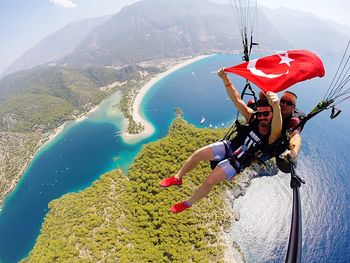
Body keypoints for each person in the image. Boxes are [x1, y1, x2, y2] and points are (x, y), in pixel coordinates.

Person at [159, 68, 282, 213]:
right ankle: (177, 177)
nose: (262, 117)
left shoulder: (272, 134)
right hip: (229, 146)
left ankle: (187, 203)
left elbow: (277, 128)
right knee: (198, 154)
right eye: (260, 113)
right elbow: (236, 100)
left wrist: (277, 106)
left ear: (272, 114)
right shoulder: (253, 118)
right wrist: (225, 79)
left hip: (238, 161)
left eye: (266, 114)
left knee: (209, 181)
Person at [275, 91, 305, 172]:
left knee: (286, 166)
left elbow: (295, 135)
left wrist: (293, 153)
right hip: (271, 136)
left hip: (283, 142)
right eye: (283, 101)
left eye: (289, 103)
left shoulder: (294, 120)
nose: (284, 104)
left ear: (293, 107)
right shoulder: (273, 109)